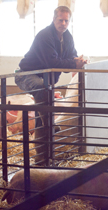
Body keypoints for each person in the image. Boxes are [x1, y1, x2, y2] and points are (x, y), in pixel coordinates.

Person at [15, 6, 87, 165]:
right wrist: (73, 64)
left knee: (42, 114)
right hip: (27, 75)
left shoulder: (68, 38)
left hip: (47, 80)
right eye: (60, 19)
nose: (63, 23)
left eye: (66, 20)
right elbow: (52, 63)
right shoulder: (44, 36)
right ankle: (51, 124)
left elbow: (70, 60)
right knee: (42, 89)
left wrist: (78, 62)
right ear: (54, 19)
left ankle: (42, 160)